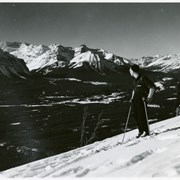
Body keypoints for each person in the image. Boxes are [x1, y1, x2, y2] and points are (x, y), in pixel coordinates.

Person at [129, 64, 156, 138]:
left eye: (130, 70)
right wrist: (132, 98)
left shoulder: (143, 78)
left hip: (142, 100)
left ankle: (146, 131)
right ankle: (140, 131)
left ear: (133, 71)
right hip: (135, 100)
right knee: (136, 116)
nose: (129, 71)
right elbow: (134, 90)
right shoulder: (135, 80)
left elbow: (152, 87)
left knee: (142, 116)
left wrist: (149, 97)